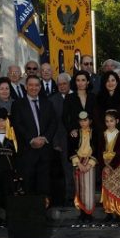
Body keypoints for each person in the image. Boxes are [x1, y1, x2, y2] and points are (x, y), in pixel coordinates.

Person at [10, 75, 58, 201]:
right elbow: (17, 124)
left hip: (45, 151)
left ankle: (44, 213)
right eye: (31, 85)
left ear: (40, 87)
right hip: (27, 151)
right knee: (28, 185)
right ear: (26, 87)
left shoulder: (47, 103)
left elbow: (53, 122)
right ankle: (31, 217)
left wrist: (44, 138)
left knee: (44, 185)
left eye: (37, 85)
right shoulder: (18, 104)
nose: (34, 88)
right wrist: (31, 139)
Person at [49, 73, 75, 205]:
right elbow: (52, 123)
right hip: (62, 140)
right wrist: (55, 142)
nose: (62, 86)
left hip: (78, 140)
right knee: (66, 169)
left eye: (64, 83)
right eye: (59, 84)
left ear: (69, 84)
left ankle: (80, 194)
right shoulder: (53, 100)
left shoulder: (77, 96)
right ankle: (69, 195)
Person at [99, 109, 120, 222]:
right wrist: (104, 165)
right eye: (107, 121)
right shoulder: (103, 134)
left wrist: (111, 165)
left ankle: (119, 212)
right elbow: (100, 151)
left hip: (116, 165)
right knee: (107, 188)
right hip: (105, 165)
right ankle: (109, 212)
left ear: (117, 121)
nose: (109, 123)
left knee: (118, 188)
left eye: (111, 121)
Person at [68, 111, 97, 221]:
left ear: (90, 121)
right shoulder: (75, 133)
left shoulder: (95, 133)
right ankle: (82, 212)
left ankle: (89, 213)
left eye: (85, 120)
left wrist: (89, 164)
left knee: (89, 189)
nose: (83, 123)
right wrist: (79, 164)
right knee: (79, 188)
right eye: (81, 121)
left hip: (89, 162)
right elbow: (70, 149)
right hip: (78, 162)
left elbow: (97, 149)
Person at [63, 71, 97, 140]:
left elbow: (97, 116)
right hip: (75, 135)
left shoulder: (94, 97)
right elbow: (64, 117)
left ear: (88, 82)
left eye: (83, 80)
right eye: (78, 80)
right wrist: (71, 130)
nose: (80, 83)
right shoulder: (69, 97)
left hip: (91, 135)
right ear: (75, 82)